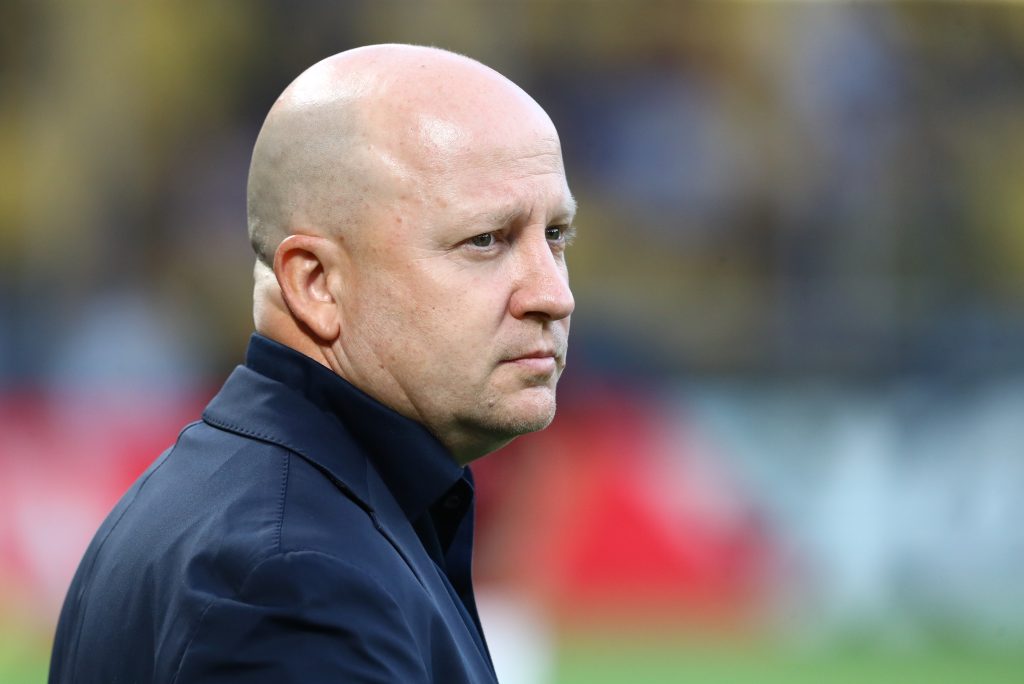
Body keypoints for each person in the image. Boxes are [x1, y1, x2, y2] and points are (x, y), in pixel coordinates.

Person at [49, 43, 575, 683]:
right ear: (316, 283)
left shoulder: (260, 505)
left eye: (555, 235)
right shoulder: (293, 578)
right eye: (484, 240)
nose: (553, 294)